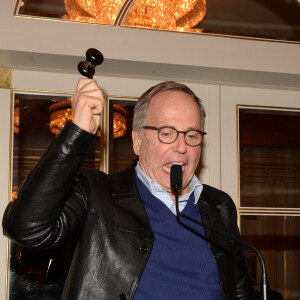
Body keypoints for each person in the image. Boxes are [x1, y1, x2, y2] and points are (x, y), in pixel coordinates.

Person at [3, 79, 257, 300]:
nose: (182, 147)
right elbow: (25, 228)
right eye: (167, 133)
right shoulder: (97, 194)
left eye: (192, 135)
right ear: (137, 141)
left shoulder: (219, 205)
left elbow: (239, 289)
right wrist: (76, 134)